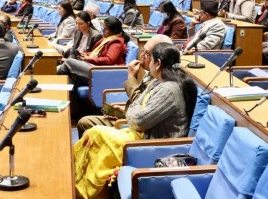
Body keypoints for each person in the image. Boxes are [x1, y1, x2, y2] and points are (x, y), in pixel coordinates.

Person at [73, 43, 197, 199]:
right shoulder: (160, 81)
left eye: (149, 58)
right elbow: (137, 105)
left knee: (96, 133)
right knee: (94, 133)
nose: (144, 59)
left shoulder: (169, 89)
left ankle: (91, 192)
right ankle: (81, 183)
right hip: (141, 133)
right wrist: (132, 112)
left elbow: (138, 120)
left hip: (154, 144)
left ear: (157, 63)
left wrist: (130, 112)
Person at [76, 34, 172, 135]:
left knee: (85, 123)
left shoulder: (161, 81)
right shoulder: (150, 72)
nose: (141, 56)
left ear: (159, 60)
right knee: (85, 121)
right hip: (131, 116)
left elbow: (141, 108)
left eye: (146, 53)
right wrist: (123, 110)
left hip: (136, 128)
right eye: (142, 51)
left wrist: (131, 78)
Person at [56, 16, 128, 86]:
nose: (103, 30)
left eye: (105, 29)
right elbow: (98, 53)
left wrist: (89, 58)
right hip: (97, 67)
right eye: (103, 27)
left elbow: (109, 60)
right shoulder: (108, 38)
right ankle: (67, 96)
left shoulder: (116, 42)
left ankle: (52, 78)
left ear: (113, 31)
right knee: (71, 76)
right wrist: (86, 54)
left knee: (69, 62)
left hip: (104, 72)